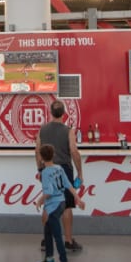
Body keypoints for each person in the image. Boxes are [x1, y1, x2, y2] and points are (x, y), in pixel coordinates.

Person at [35, 102, 85, 252]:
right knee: (67, 206)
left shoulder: (42, 130)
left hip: (47, 169)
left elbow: (37, 150)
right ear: (64, 113)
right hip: (64, 170)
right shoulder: (68, 131)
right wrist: (80, 172)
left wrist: (40, 169)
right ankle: (68, 241)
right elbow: (74, 151)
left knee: (48, 203)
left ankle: (46, 239)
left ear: (50, 112)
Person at [35, 144, 72, 262]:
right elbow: (68, 184)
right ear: (53, 155)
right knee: (48, 229)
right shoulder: (59, 168)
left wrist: (39, 200)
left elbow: (49, 192)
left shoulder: (45, 173)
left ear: (42, 158)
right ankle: (49, 258)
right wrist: (78, 199)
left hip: (53, 205)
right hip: (62, 202)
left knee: (57, 235)